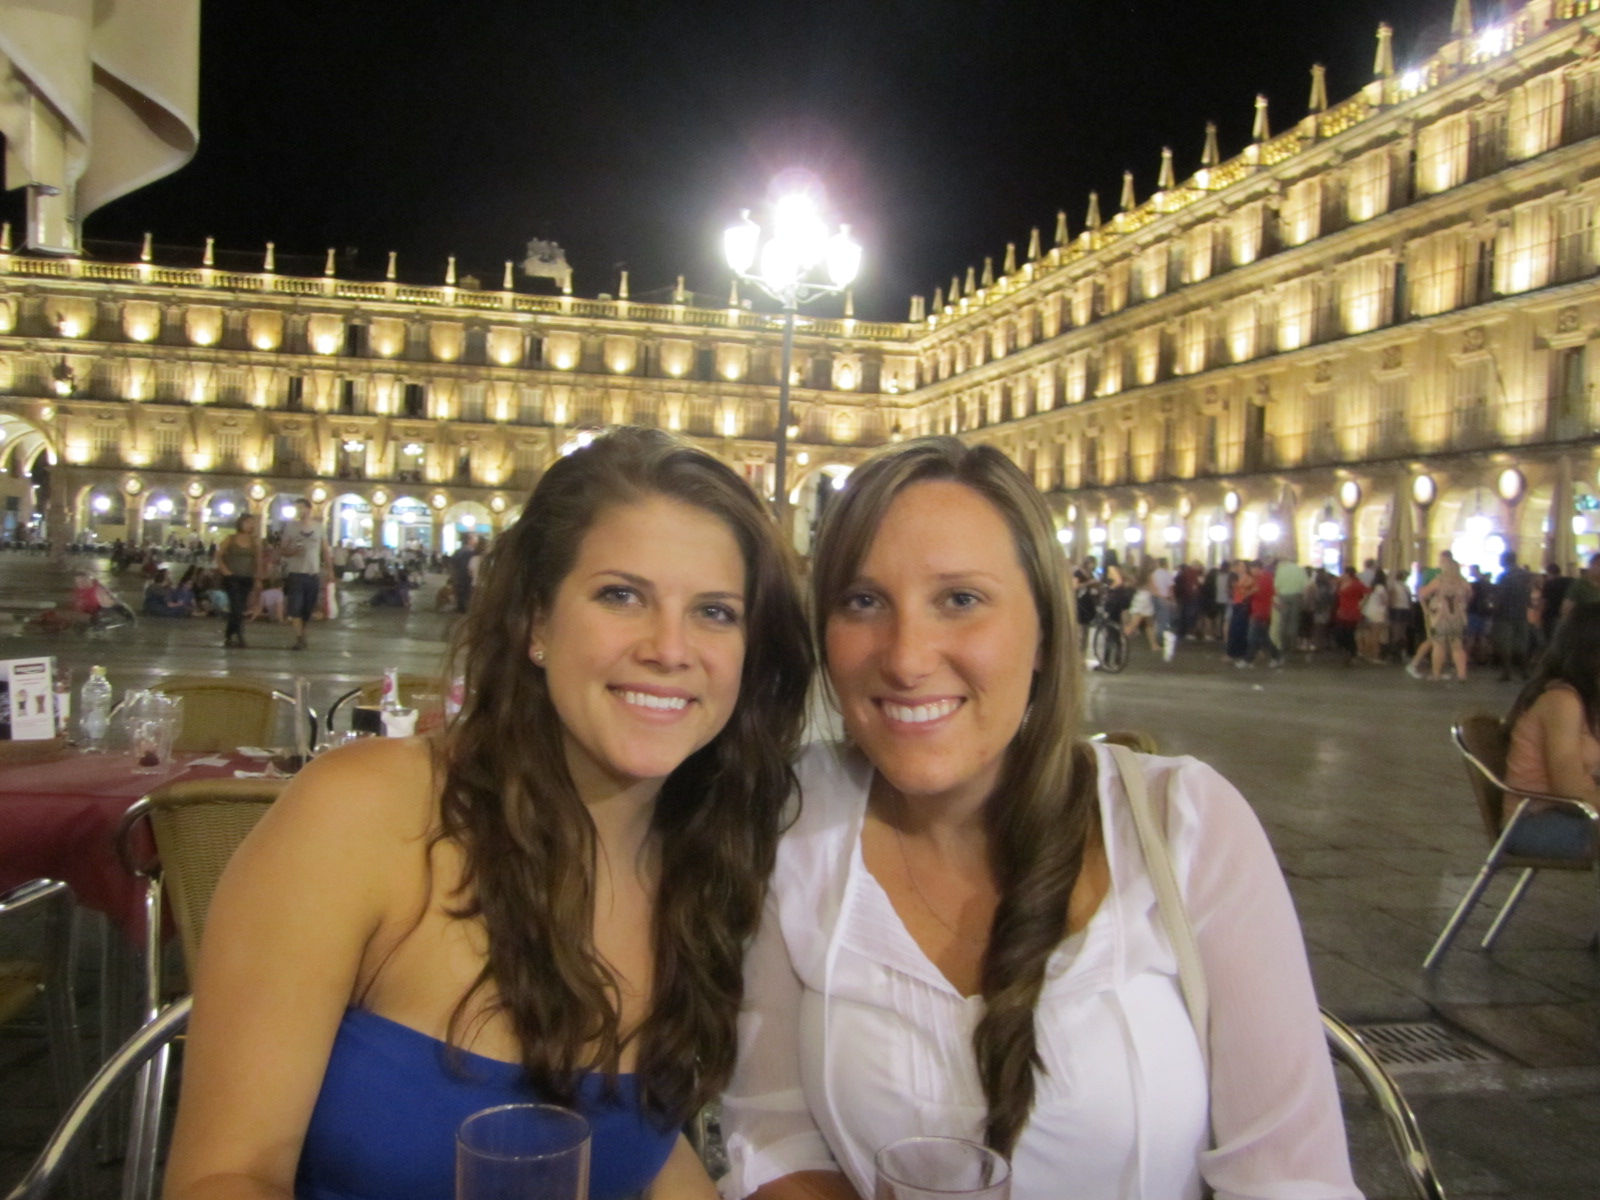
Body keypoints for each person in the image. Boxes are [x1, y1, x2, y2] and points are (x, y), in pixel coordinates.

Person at [162, 429, 814, 1200]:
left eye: (714, 612)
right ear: (537, 622)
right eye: (621, 596)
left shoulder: (706, 864)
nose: (670, 648)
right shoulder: (364, 815)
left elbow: (635, 1141)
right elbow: (222, 1176)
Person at [721, 438, 1358, 1200]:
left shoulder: (1184, 823)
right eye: (863, 601)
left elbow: (1290, 1180)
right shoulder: (793, 820)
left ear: (1046, 630)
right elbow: (774, 1133)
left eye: (960, 598)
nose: (907, 656)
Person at [1502, 603, 1600, 859]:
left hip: (1561, 817)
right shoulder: (1562, 701)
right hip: (1535, 823)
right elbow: (1568, 791)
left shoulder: (1579, 697)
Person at [281, 498, 330, 651]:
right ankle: (299, 638)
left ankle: (303, 632)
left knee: (307, 608)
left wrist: (330, 570)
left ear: (309, 509)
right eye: (297, 508)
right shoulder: (290, 527)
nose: (299, 511)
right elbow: (283, 549)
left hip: (312, 573)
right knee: (295, 607)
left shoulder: (319, 527)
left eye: (302, 508)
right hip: (296, 572)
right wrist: (291, 552)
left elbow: (325, 550)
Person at [1418, 551, 1471, 681]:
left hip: (1440, 617)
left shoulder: (1439, 581)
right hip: (1458, 617)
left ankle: (1436, 674)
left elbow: (1422, 594)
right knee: (1457, 646)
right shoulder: (1463, 583)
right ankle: (1462, 674)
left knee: (1439, 645)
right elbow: (1469, 596)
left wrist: (1426, 609)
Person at [216, 513, 261, 648]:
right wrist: (225, 571)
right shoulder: (231, 539)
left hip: (247, 578)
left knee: (240, 607)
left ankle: (230, 634)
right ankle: (238, 634)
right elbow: (218, 556)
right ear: (240, 524)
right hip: (232, 578)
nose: (250, 525)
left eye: (252, 522)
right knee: (236, 606)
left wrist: (258, 578)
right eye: (247, 522)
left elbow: (258, 561)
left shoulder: (255, 542)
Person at [1492, 550, 1535, 682]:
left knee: (1505, 644)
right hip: (1521, 613)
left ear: (1506, 560)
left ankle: (1507, 672)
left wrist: (1494, 609)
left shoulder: (1504, 577)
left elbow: (1500, 596)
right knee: (1522, 642)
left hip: (1505, 614)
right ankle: (1524, 671)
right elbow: (1529, 594)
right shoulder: (1526, 575)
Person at [1331, 565, 1368, 666]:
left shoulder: (1356, 583)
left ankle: (1351, 653)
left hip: (1352, 610)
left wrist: (1362, 604)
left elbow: (1367, 592)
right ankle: (1347, 651)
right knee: (1340, 632)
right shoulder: (1342, 582)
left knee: (1349, 633)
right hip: (1342, 610)